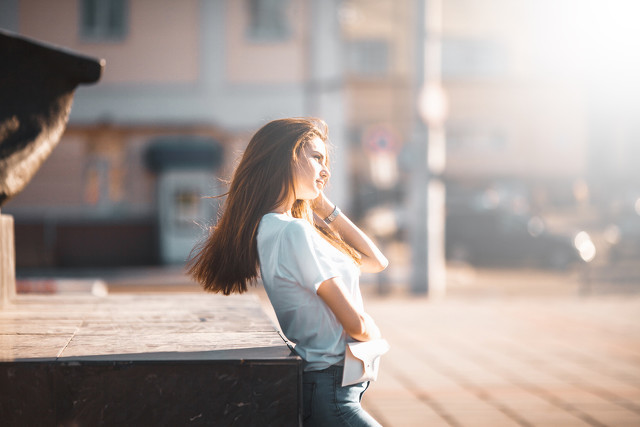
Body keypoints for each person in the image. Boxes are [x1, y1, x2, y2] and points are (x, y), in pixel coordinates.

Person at [187, 117, 388, 426]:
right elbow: (356, 325)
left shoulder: (281, 228)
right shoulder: (292, 233)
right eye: (317, 157)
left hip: (332, 388)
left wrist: (325, 208)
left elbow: (376, 262)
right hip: (332, 393)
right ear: (288, 157)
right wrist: (373, 332)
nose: (326, 169)